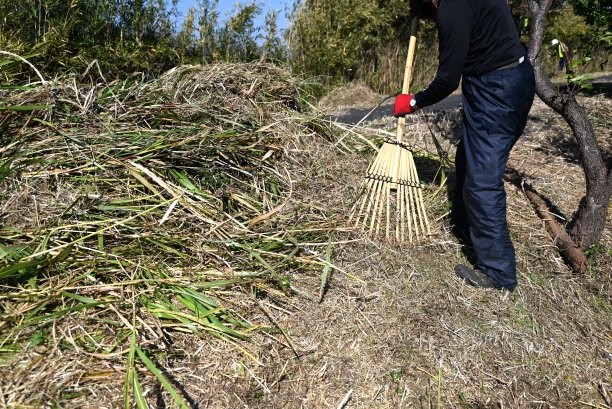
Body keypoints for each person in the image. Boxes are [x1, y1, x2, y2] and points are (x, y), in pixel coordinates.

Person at [394, 0, 535, 291]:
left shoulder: (452, 8)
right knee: (467, 159)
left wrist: (413, 102)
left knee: (482, 181)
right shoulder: (456, 4)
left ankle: (498, 272)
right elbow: (476, 23)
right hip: (510, 77)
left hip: (496, 89)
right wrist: (433, 13)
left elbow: (447, 80)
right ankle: (465, 227)